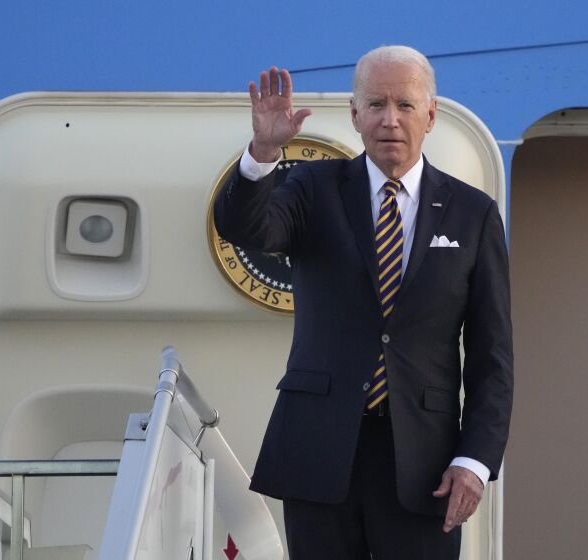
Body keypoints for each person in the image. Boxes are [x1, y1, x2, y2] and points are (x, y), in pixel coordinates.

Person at [214, 45, 513, 559]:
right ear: (354, 115)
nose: (389, 120)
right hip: (320, 450)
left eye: (404, 105)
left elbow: (493, 358)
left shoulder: (473, 214)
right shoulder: (313, 186)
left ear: (431, 114)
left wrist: (476, 461)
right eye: (375, 105)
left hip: (425, 464)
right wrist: (263, 154)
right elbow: (246, 226)